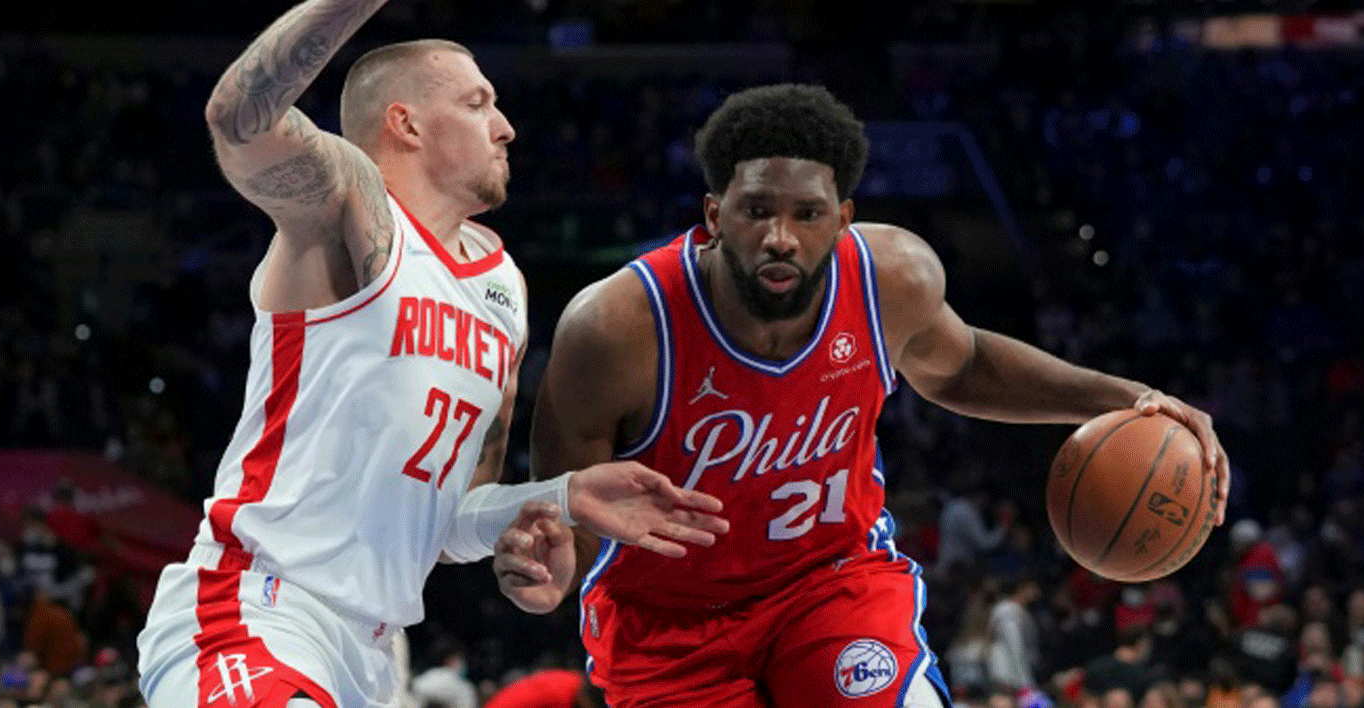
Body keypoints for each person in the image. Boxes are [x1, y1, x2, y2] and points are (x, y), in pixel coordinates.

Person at [135, 0, 726, 708]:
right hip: (256, 611)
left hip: (377, 653)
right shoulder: (352, 206)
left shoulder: (503, 286)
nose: (507, 126)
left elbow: (448, 519)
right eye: (480, 102)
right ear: (405, 123)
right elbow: (237, 118)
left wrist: (557, 503)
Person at [506, 84, 1230, 707]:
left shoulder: (890, 279)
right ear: (715, 214)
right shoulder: (617, 329)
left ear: (843, 219)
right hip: (668, 622)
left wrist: (1125, 397)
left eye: (808, 214)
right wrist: (555, 563)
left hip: (830, 583)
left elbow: (965, 365)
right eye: (757, 210)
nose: (781, 237)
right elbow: (568, 505)